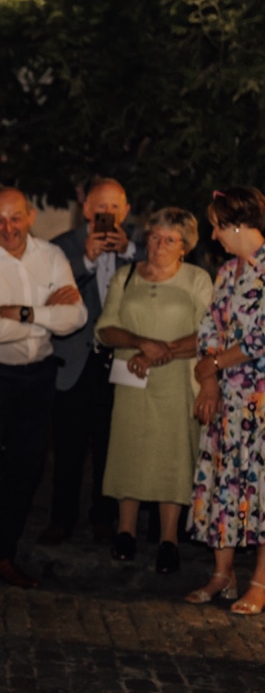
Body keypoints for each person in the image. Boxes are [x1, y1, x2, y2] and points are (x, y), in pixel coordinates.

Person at [0, 188, 86, 596]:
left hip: (38, 376)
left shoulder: (51, 256)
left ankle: (1, 555)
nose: (7, 228)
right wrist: (49, 314)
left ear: (30, 215)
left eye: (15, 217)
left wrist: (25, 311)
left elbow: (77, 316)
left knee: (26, 470)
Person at [93, 209, 211, 572]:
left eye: (170, 240)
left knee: (173, 454)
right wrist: (142, 344)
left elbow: (210, 334)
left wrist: (163, 351)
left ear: (185, 247)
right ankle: (125, 531)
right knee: (130, 449)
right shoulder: (126, 276)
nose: (160, 245)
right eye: (155, 237)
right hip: (132, 375)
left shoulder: (198, 279)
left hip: (177, 379)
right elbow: (105, 328)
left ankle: (168, 539)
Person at [44, 179, 141, 545]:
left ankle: (104, 516)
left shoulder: (138, 245)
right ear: (86, 209)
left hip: (120, 359)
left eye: (115, 208)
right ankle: (62, 518)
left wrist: (129, 249)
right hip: (75, 359)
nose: (107, 215)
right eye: (100, 208)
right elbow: (54, 289)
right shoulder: (63, 246)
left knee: (111, 443)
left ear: (125, 211)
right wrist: (87, 258)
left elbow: (161, 268)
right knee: (68, 445)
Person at [188, 188, 265, 612]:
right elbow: (210, 327)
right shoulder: (227, 272)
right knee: (225, 479)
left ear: (237, 224)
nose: (213, 236)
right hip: (228, 396)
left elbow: (260, 338)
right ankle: (222, 574)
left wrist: (215, 363)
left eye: (216, 226)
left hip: (261, 398)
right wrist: (211, 381)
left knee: (260, 485)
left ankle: (261, 581)